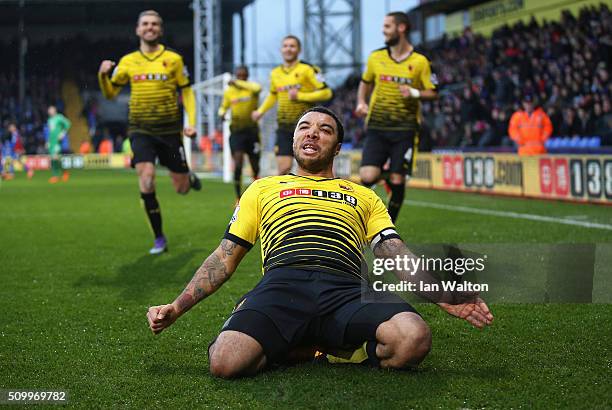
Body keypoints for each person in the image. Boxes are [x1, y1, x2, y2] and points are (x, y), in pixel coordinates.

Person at [147, 106, 493, 378]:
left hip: (347, 288)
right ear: (294, 140)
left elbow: (394, 252)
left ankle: (309, 345)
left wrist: (443, 295)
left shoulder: (363, 195)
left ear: (337, 147)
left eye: (324, 130)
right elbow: (225, 257)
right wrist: (177, 307)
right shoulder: (263, 188)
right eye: (304, 128)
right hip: (283, 284)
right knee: (225, 362)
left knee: (413, 340)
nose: (313, 133)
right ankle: (320, 343)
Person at [98, 10, 201, 255]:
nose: (150, 27)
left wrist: (192, 122)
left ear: (160, 30)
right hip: (140, 129)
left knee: (182, 188)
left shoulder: (174, 59)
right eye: (145, 24)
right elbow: (110, 93)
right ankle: (159, 238)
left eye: (154, 24)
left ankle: (188, 176)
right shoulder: (128, 62)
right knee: (146, 178)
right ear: (138, 29)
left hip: (169, 131)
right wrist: (102, 75)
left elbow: (186, 91)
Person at [355, 11, 438, 223]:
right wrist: (361, 102)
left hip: (405, 129)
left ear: (401, 28)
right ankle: (387, 174)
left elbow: (434, 91)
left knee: (398, 178)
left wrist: (415, 92)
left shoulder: (420, 62)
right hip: (377, 127)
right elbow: (365, 82)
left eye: (387, 26)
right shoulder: (376, 57)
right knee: (367, 177)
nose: (383, 30)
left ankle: (386, 228)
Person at [251, 35, 332, 175]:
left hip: (306, 127)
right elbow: (273, 94)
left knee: (310, 168)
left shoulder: (308, 69)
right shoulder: (275, 73)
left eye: (292, 46)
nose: (288, 49)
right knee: (283, 169)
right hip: (284, 126)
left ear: (298, 50)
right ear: (281, 50)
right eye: (285, 46)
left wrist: (300, 96)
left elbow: (326, 92)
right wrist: (260, 111)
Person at [218, 66, 262, 199]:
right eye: (239, 76)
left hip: (252, 132)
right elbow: (223, 106)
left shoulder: (252, 89)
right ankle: (238, 197)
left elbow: (257, 88)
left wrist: (238, 82)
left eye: (244, 76)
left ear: (247, 76)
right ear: (236, 75)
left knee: (255, 165)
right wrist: (221, 113)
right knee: (238, 164)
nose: (241, 78)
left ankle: (257, 192)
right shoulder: (230, 92)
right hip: (236, 131)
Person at [47, 106, 71, 183]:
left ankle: (56, 176)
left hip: (57, 142)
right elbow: (50, 132)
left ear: (55, 110)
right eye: (49, 110)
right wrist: (48, 141)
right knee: (53, 159)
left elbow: (68, 124)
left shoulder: (59, 117)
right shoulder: (49, 120)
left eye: (51, 110)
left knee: (55, 157)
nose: (50, 111)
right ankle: (63, 172)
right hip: (52, 142)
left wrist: (62, 133)